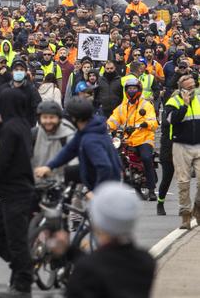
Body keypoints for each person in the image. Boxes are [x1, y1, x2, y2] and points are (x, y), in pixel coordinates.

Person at [66, 182, 156, 298]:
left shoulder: (85, 270)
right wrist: (71, 252)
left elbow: (95, 269)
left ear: (98, 222)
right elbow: (109, 267)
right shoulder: (145, 261)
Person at [0, 88, 34, 298]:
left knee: (15, 240)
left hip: (14, 189)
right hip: (18, 190)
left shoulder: (11, 128)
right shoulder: (23, 125)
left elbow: (3, 160)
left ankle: (23, 281)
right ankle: (21, 269)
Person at [35, 97, 122, 191]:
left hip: (107, 189)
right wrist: (49, 166)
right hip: (98, 181)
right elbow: (69, 150)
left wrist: (96, 193)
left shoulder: (91, 140)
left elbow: (105, 167)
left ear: (75, 118)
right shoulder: (87, 130)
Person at [106, 78, 158, 200]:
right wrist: (106, 126)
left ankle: (151, 189)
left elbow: (153, 122)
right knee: (114, 156)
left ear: (139, 89)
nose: (131, 91)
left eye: (134, 88)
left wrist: (145, 124)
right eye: (129, 88)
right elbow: (113, 119)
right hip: (127, 139)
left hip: (144, 138)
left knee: (146, 158)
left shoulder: (146, 105)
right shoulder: (122, 107)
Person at [164, 75, 200, 229]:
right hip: (181, 145)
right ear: (182, 89)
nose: (193, 90)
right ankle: (185, 216)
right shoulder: (173, 102)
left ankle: (198, 207)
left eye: (194, 86)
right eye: (189, 88)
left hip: (199, 144)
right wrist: (184, 106)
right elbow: (171, 120)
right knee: (183, 182)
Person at [31, 101, 77, 181]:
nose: (48, 121)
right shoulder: (34, 134)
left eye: (52, 117)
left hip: (61, 185)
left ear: (59, 118)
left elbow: (75, 164)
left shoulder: (69, 135)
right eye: (45, 117)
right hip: (35, 185)